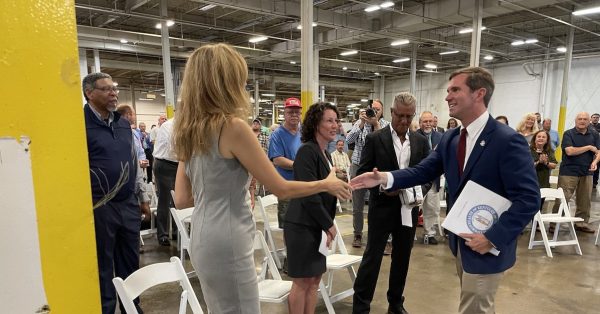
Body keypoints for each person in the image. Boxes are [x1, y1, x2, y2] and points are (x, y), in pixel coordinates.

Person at [171, 43, 351, 314]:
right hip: (229, 235)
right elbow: (281, 188)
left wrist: (219, 193)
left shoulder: (188, 130)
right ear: (226, 83)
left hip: (201, 234)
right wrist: (325, 183)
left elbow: (183, 199)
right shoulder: (232, 127)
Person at [350, 67, 540, 314]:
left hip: (486, 243)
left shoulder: (507, 140)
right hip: (462, 241)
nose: (447, 97)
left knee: (475, 308)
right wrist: (384, 178)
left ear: (478, 94)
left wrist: (494, 237)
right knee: (476, 306)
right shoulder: (451, 138)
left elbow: (529, 198)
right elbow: (421, 171)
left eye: (455, 90)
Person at [352, 92, 430, 314]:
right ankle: (361, 307)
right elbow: (363, 173)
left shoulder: (421, 142)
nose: (404, 121)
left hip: (409, 209)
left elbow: (429, 174)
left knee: (402, 257)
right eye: (400, 116)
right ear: (392, 113)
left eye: (409, 116)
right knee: (372, 257)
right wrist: (382, 185)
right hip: (382, 208)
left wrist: (419, 191)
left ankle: (396, 304)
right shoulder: (376, 139)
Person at [82, 72, 144, 313]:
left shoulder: (121, 123)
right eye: (106, 89)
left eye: (114, 89)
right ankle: (106, 308)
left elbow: (134, 160)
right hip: (100, 206)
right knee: (104, 263)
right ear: (89, 93)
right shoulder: (80, 123)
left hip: (127, 203)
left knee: (130, 261)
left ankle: (132, 307)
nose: (114, 93)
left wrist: (142, 196)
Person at [284, 102, 343, 314]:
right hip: (301, 225)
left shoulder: (325, 153)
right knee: (302, 281)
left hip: (317, 224)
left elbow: (325, 193)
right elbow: (309, 196)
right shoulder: (306, 152)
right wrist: (329, 225)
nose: (334, 125)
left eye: (336, 120)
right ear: (316, 123)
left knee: (315, 280)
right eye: (329, 120)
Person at [346, 99, 390, 248]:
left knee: (377, 203)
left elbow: (385, 142)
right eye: (372, 109)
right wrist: (362, 124)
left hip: (377, 168)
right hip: (359, 165)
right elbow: (348, 140)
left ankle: (375, 234)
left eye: (378, 110)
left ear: (382, 112)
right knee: (357, 203)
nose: (374, 112)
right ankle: (357, 234)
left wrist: (375, 123)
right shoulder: (360, 123)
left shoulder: (385, 125)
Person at [555, 112, 600, 233]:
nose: (582, 121)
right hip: (569, 171)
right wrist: (589, 147)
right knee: (563, 198)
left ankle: (581, 223)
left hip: (587, 172)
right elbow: (569, 151)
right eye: (580, 118)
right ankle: (554, 224)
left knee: (585, 199)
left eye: (585, 119)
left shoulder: (595, 134)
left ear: (589, 121)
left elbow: (599, 151)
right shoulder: (568, 134)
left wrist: (595, 162)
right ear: (575, 121)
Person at [268, 97, 303, 228]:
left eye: (297, 112)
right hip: (286, 187)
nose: (294, 115)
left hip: (304, 184)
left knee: (303, 225)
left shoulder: (304, 132)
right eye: (290, 112)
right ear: (284, 113)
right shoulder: (277, 134)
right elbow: (277, 160)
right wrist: (299, 165)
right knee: (288, 228)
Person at [416, 111, 443, 245]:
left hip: (434, 179)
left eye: (430, 121)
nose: (427, 124)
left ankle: (430, 233)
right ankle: (408, 233)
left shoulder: (440, 137)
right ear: (420, 123)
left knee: (432, 207)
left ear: (434, 122)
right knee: (414, 206)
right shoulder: (414, 137)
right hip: (418, 178)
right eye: (424, 121)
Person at [153, 117, 178, 246]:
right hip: (164, 164)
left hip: (178, 164)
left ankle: (176, 232)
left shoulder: (186, 124)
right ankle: (162, 234)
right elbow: (174, 145)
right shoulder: (169, 126)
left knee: (177, 201)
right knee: (165, 200)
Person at [591, 113, 600, 188]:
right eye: (594, 117)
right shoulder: (587, 126)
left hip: (598, 149)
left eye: (597, 117)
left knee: (597, 166)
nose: (595, 119)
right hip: (590, 149)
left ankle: (594, 182)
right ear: (591, 118)